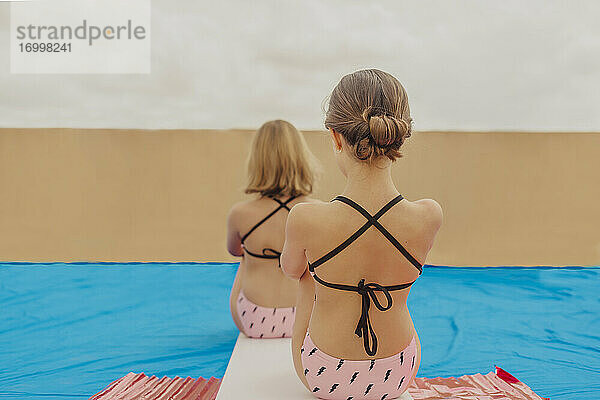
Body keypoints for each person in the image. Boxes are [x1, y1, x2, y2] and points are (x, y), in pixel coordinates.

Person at [281, 69, 442, 399]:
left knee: (307, 274)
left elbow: (289, 270)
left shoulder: (306, 217)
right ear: (399, 135)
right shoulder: (428, 215)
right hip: (399, 370)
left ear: (336, 137)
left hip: (323, 375)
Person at [227, 119, 319, 339]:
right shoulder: (317, 210)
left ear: (257, 162)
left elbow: (233, 251)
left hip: (254, 318)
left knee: (245, 256)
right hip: (307, 318)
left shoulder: (240, 213)